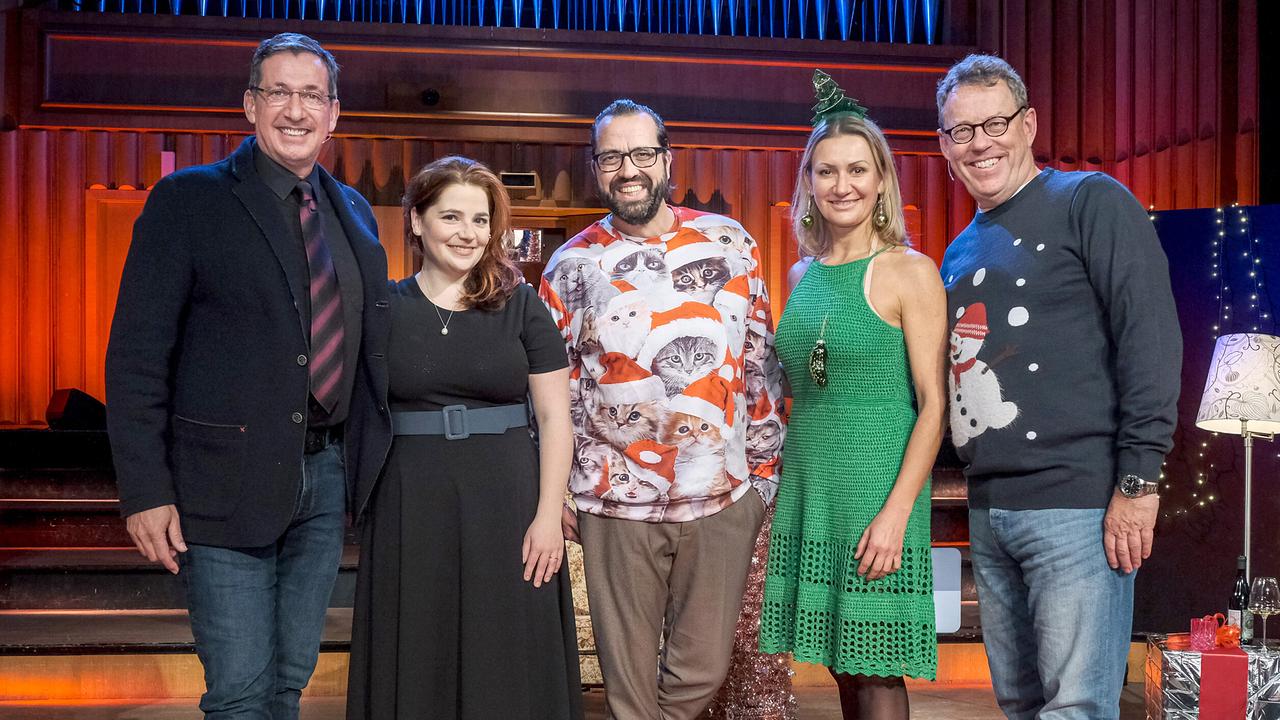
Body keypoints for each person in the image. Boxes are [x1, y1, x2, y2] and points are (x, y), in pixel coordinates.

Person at [105, 33, 390, 718]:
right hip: (221, 485)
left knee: (287, 684)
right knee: (239, 693)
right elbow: (137, 357)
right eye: (279, 92)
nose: (296, 110)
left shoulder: (353, 212)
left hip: (325, 480)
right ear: (249, 104)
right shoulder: (188, 200)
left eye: (311, 95)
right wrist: (145, 491)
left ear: (333, 113)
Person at [936, 54, 1181, 719]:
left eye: (995, 123)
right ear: (945, 146)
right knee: (1019, 703)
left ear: (1029, 124)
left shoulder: (1090, 201)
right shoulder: (958, 252)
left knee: (1076, 708)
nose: (980, 143)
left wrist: (1138, 482)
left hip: (1078, 505)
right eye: (962, 131)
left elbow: (1150, 338)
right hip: (990, 509)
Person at [540, 98, 786, 720]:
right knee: (627, 686)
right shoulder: (570, 265)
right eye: (612, 157)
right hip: (614, 504)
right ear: (596, 167)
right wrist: (556, 491)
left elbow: (758, 363)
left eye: (642, 153)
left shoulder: (731, 243)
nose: (629, 169)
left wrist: (763, 477)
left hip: (722, 499)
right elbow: (551, 392)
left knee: (703, 667)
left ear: (667, 159)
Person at [345, 156, 582, 720]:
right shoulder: (382, 307)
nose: (468, 233)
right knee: (417, 644)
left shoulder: (522, 305)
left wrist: (548, 515)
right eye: (451, 216)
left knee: (506, 644)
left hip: (507, 501)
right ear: (417, 220)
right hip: (409, 502)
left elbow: (556, 417)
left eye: (480, 220)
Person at [758, 71, 945, 719]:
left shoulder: (910, 272)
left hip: (876, 489)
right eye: (828, 171)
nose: (843, 185)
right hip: (812, 485)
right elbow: (800, 387)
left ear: (882, 180)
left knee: (875, 668)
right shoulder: (802, 273)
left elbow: (933, 405)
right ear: (808, 182)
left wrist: (897, 512)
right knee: (842, 664)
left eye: (858, 170)